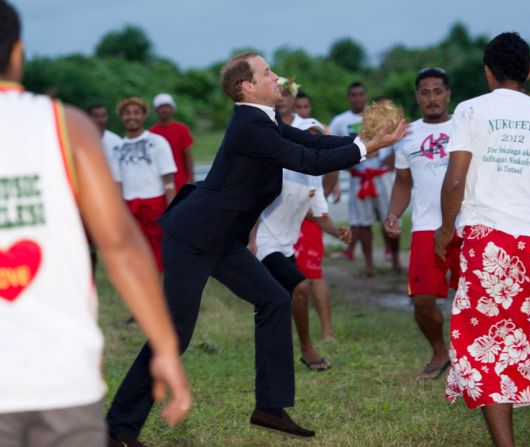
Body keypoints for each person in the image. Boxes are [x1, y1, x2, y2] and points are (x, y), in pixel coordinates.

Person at [104, 51, 406, 443]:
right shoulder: (250, 126)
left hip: (222, 239)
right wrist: (367, 149)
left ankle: (269, 407)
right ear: (246, 85)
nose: (277, 77)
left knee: (274, 300)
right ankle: (116, 429)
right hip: (194, 237)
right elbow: (308, 161)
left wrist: (366, 140)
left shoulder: (266, 122)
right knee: (173, 334)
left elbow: (311, 142)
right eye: (268, 72)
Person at [0, 2, 191, 447]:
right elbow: (119, 244)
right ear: (18, 53)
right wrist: (165, 346)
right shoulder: (66, 125)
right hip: (62, 375)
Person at [434, 32, 530, 447]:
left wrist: (446, 230)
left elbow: (455, 180)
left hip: (488, 245)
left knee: (489, 345)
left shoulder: (469, 111)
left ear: (488, 71)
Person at [251, 116, 351, 371]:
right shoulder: (278, 168)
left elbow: (320, 217)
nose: (313, 143)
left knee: (277, 300)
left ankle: (275, 352)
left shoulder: (314, 178)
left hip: (286, 246)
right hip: (264, 244)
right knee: (301, 287)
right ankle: (307, 349)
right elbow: (253, 203)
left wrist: (337, 232)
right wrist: (250, 240)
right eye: (310, 137)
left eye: (318, 138)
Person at [384, 67, 460, 381]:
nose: (432, 98)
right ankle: (440, 353)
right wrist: (393, 214)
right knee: (422, 301)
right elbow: (403, 183)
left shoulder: (465, 127)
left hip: (467, 224)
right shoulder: (407, 136)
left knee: (481, 297)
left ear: (448, 94)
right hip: (425, 228)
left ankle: (476, 355)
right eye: (425, 92)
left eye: (437, 91)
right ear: (417, 97)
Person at [329, 84, 401, 275]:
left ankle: (395, 260)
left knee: (391, 219)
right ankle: (369, 264)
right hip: (359, 177)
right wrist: (346, 163)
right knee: (363, 223)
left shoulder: (380, 114)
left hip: (382, 175)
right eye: (353, 95)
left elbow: (400, 140)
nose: (357, 98)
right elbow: (331, 147)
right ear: (348, 97)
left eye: (361, 94)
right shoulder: (340, 121)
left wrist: (394, 157)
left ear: (366, 96)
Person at [112, 97, 178, 272]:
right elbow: (117, 184)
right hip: (130, 207)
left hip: (155, 206)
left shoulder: (158, 142)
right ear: (121, 117)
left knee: (159, 257)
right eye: (127, 113)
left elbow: (169, 181)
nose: (131, 117)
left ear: (144, 116)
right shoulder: (117, 148)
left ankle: (160, 296)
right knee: (135, 256)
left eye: (136, 113)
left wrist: (172, 213)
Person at [86, 103, 123, 274]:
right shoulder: (80, 139)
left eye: (103, 116)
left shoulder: (116, 141)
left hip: (111, 198)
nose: (100, 120)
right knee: (87, 244)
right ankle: (89, 275)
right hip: (86, 199)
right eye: (96, 116)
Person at [148, 93, 195, 192]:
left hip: (181, 179)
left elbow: (188, 156)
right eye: (161, 107)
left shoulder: (182, 129)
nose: (164, 110)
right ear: (156, 110)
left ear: (173, 108)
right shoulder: (150, 133)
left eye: (167, 106)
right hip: (159, 182)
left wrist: (191, 179)